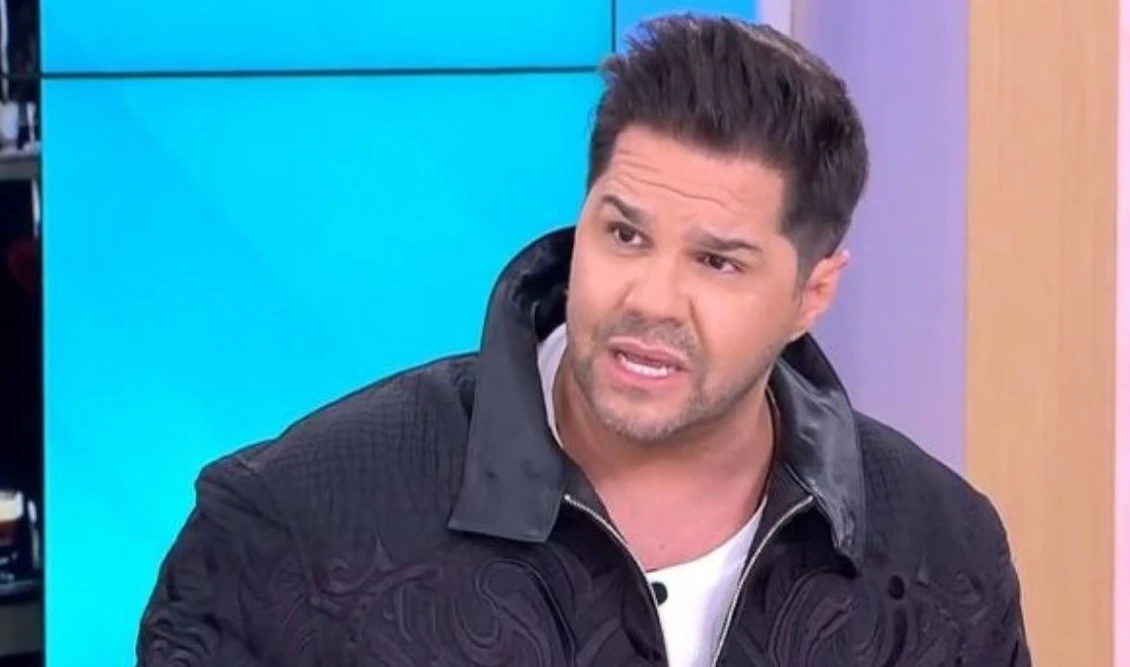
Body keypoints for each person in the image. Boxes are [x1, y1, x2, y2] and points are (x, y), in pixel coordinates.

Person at [137, 15, 1030, 667]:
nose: (651, 299)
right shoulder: (294, 521)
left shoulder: (941, 552)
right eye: (625, 234)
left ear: (812, 293)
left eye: (717, 262)